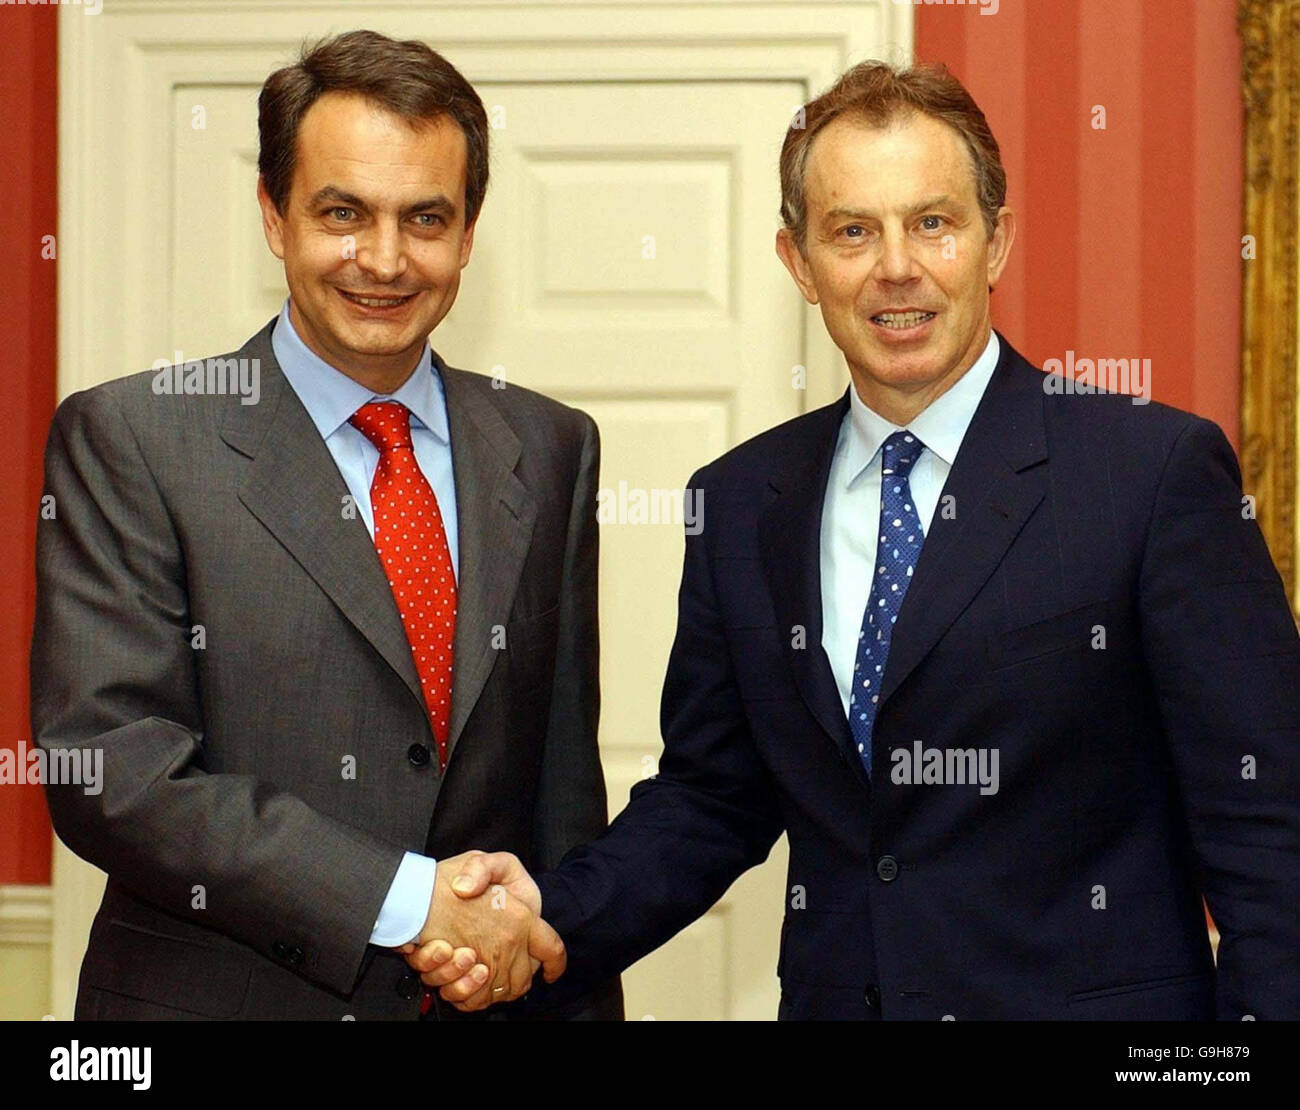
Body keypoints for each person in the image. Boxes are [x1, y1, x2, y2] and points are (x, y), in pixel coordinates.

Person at [412, 59, 1300, 1020]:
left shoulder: (1151, 474)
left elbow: (1268, 831)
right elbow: (712, 798)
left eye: (933, 222)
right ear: (799, 262)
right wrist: (545, 914)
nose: (896, 268)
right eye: (852, 231)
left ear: (994, 241)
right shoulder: (744, 503)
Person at [31, 29, 621, 1021]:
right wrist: (405, 900)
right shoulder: (132, 438)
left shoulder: (550, 446)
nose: (384, 260)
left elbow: (562, 790)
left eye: (425, 219)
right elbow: (116, 772)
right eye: (343, 213)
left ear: (469, 232)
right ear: (274, 214)